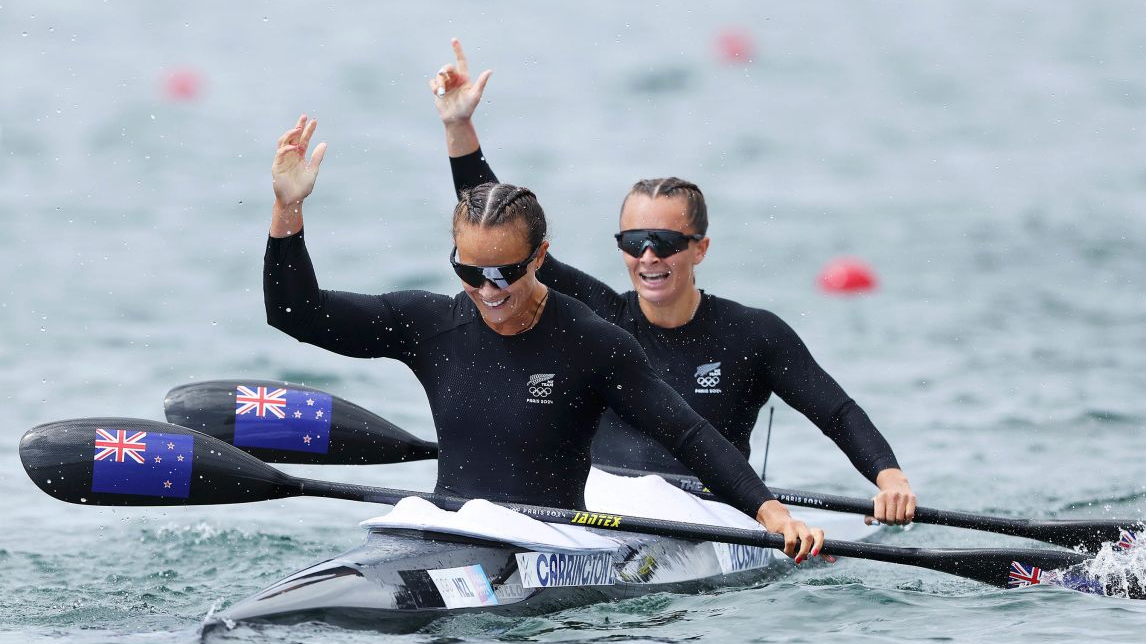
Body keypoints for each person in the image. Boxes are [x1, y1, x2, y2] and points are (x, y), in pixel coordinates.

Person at [264, 114, 826, 561]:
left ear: (539, 257)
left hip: (551, 547)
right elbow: (296, 313)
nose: (488, 290)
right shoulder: (428, 324)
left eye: (506, 272)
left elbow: (689, 436)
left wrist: (771, 514)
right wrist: (287, 209)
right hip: (445, 532)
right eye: (469, 273)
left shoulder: (590, 342)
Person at [429, 40, 918, 526]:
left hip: (711, 519)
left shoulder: (753, 335)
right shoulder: (599, 321)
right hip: (604, 514)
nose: (648, 256)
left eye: (664, 241)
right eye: (634, 240)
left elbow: (836, 412)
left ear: (700, 248)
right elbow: (499, 233)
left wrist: (888, 477)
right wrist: (458, 125)